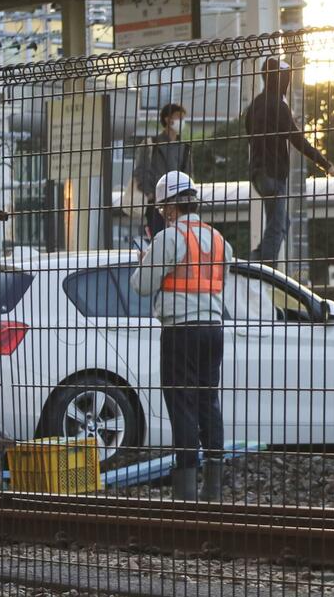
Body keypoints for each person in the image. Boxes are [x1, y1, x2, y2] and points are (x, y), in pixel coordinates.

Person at [130, 171, 232, 501]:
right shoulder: (220, 240)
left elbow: (141, 286)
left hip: (180, 331)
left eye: (162, 209)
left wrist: (146, 262)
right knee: (207, 400)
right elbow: (219, 283)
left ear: (171, 206)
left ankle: (186, 492)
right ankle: (213, 489)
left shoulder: (169, 239)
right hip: (213, 330)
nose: (162, 214)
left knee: (182, 404)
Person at [246, 57, 334, 262]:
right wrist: (325, 163)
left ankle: (256, 258)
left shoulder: (254, 106)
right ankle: (264, 268)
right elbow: (297, 140)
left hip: (257, 173)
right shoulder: (279, 106)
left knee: (280, 221)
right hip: (274, 172)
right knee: (277, 226)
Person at [133, 103, 195, 238]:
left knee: (181, 238)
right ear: (167, 119)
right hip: (157, 204)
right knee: (159, 238)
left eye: (183, 118)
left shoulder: (184, 147)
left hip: (180, 204)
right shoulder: (151, 143)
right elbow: (140, 171)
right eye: (178, 117)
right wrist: (150, 194)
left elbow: (189, 175)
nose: (182, 121)